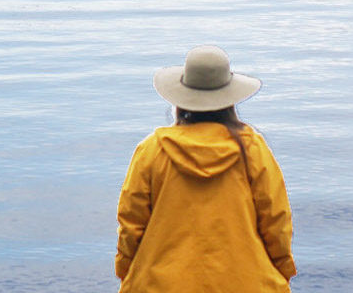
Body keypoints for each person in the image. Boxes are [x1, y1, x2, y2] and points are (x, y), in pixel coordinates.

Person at [115, 45, 296, 292]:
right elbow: (276, 222)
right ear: (229, 100)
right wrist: (281, 270)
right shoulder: (252, 149)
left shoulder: (152, 150)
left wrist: (127, 271)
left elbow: (131, 224)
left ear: (181, 100)